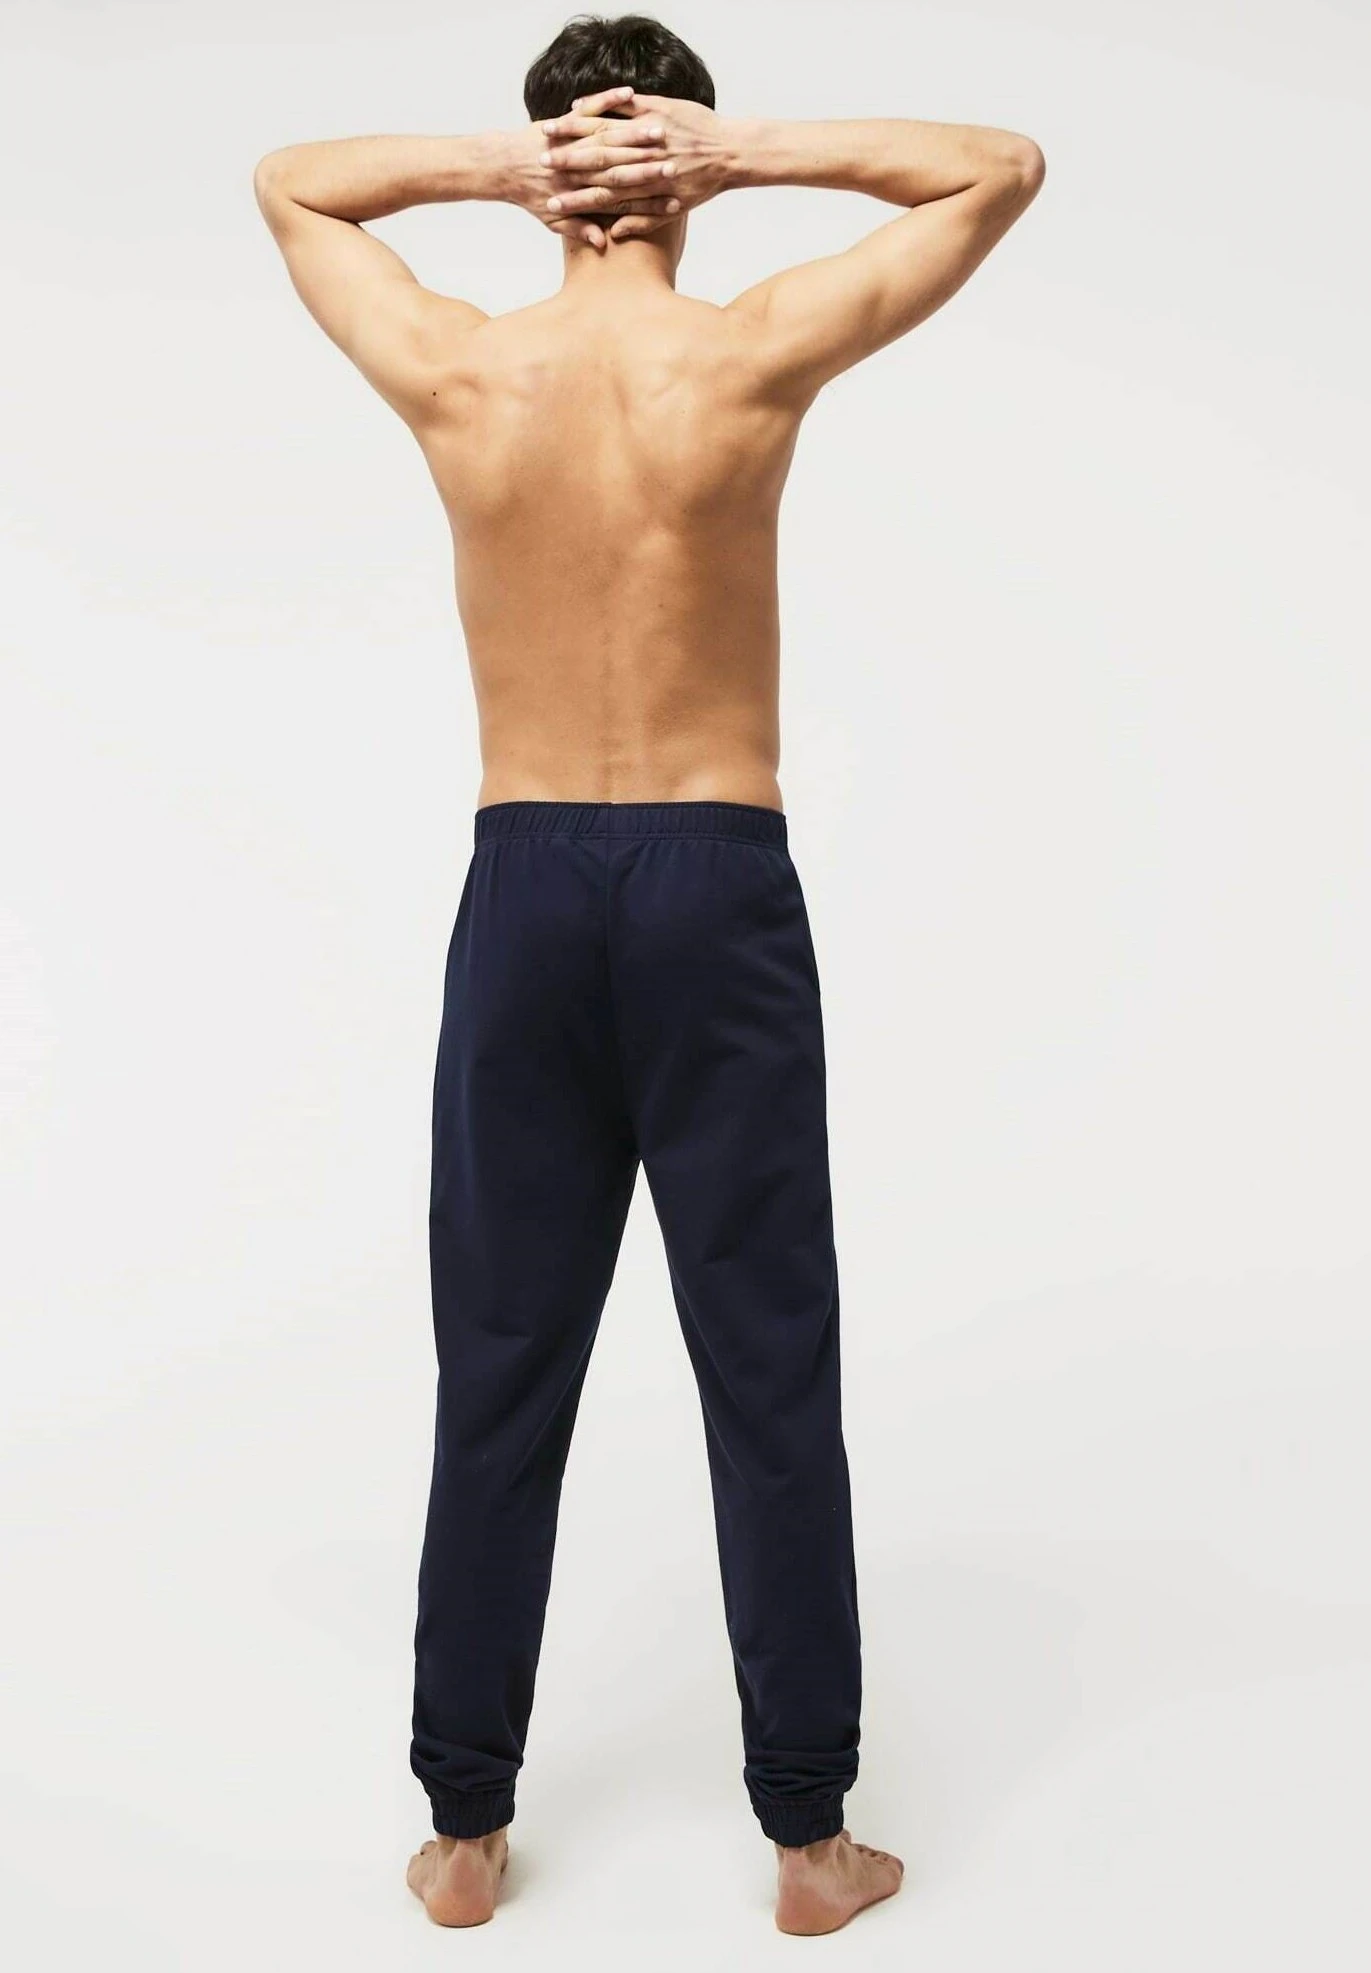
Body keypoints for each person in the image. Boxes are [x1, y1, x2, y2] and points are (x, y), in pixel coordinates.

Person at [253, 11, 1043, 1936]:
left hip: (524, 885)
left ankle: (462, 1835)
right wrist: (734, 151)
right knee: (766, 1367)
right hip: (715, 882)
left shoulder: (459, 366)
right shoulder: (749, 350)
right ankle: (809, 1846)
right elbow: (998, 166)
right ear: (680, 166)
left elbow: (289, 186)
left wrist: (500, 170)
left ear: (552, 178)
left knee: (500, 1365)